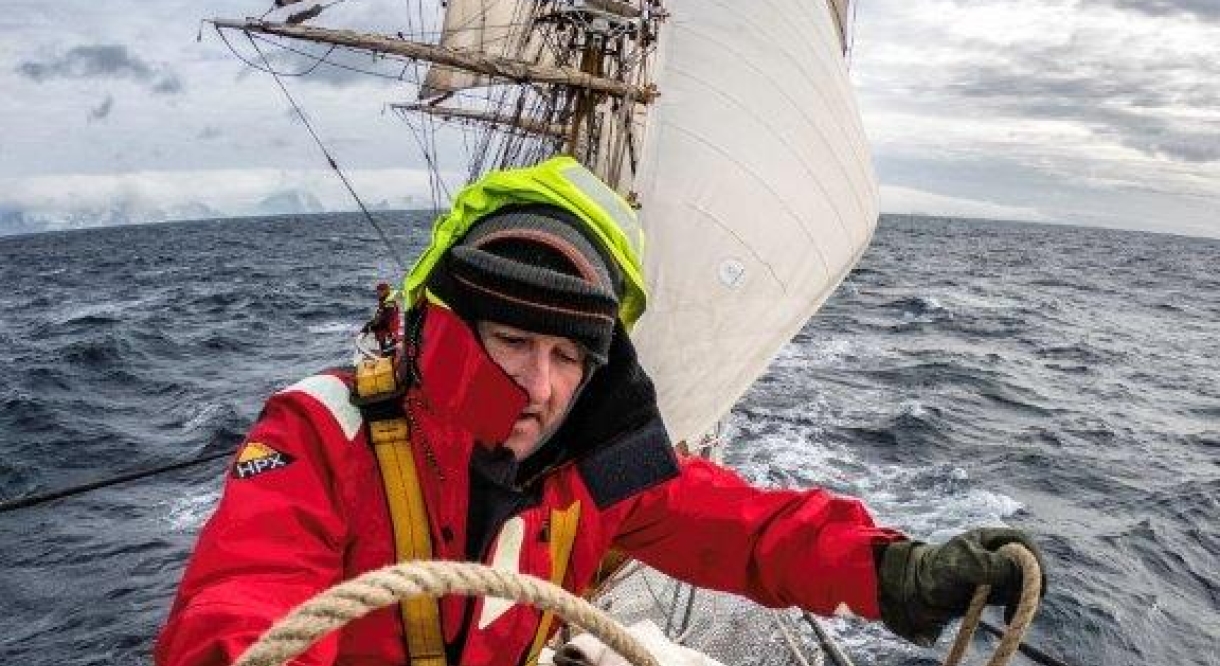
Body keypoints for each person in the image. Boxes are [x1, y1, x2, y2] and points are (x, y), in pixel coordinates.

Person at [156, 157, 1045, 666]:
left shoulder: (592, 462)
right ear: (450, 327)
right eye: (512, 341)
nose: (541, 388)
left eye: (569, 357)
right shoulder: (320, 434)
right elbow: (243, 601)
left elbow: (743, 529)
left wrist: (894, 572)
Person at [362, 281, 401, 356]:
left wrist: (371, 327)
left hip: (388, 333)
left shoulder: (389, 304)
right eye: (377, 291)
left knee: (388, 352)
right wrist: (369, 324)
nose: (378, 294)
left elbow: (384, 321)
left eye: (379, 291)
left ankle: (390, 360)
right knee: (385, 350)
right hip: (385, 332)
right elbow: (379, 317)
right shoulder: (384, 302)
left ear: (385, 291)